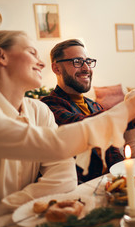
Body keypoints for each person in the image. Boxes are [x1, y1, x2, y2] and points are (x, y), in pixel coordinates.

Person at [0, 30, 135, 220]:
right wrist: (132, 106)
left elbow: (64, 175)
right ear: (0, 55)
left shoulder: (39, 110)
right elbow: (56, 144)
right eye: (32, 52)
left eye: (87, 61)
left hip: (29, 218)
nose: (40, 63)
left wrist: (6, 211)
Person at [42, 39, 124, 183]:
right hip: (79, 190)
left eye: (88, 61)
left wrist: (124, 175)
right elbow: (83, 126)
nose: (87, 68)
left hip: (110, 185)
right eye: (77, 62)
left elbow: (113, 151)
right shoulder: (49, 106)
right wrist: (130, 107)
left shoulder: (96, 106)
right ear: (56, 69)